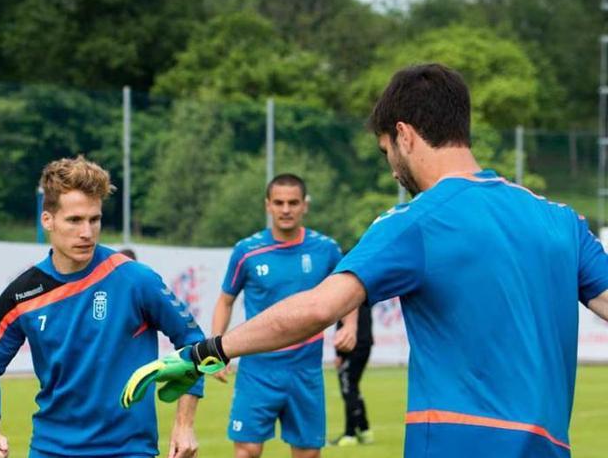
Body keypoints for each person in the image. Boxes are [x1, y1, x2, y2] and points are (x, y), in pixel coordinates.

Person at [125, 64, 608, 458]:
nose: (393, 166)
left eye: (385, 152)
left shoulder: (415, 221)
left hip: (455, 442)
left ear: (404, 134)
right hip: (551, 446)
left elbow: (317, 310)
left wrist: (207, 351)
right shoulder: (561, 220)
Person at [0, 155, 206, 458]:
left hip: (129, 451)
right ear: (47, 220)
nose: (87, 232)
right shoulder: (22, 295)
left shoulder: (135, 279)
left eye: (94, 219)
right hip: (50, 450)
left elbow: (195, 343)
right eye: (75, 220)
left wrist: (184, 424)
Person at [211, 174, 356, 458]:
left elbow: (348, 291)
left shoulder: (326, 249)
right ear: (268, 205)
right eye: (279, 202)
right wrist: (217, 348)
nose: (286, 209)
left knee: (308, 454)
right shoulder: (247, 251)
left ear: (305, 205)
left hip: (306, 370)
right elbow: (225, 301)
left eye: (293, 202)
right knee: (246, 452)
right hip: (258, 370)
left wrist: (349, 325)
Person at [329, 304, 373, 447]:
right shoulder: (364, 294)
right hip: (365, 344)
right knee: (353, 387)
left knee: (349, 390)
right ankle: (365, 430)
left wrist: (339, 353)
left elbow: (343, 323)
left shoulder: (347, 296)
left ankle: (350, 434)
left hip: (352, 346)